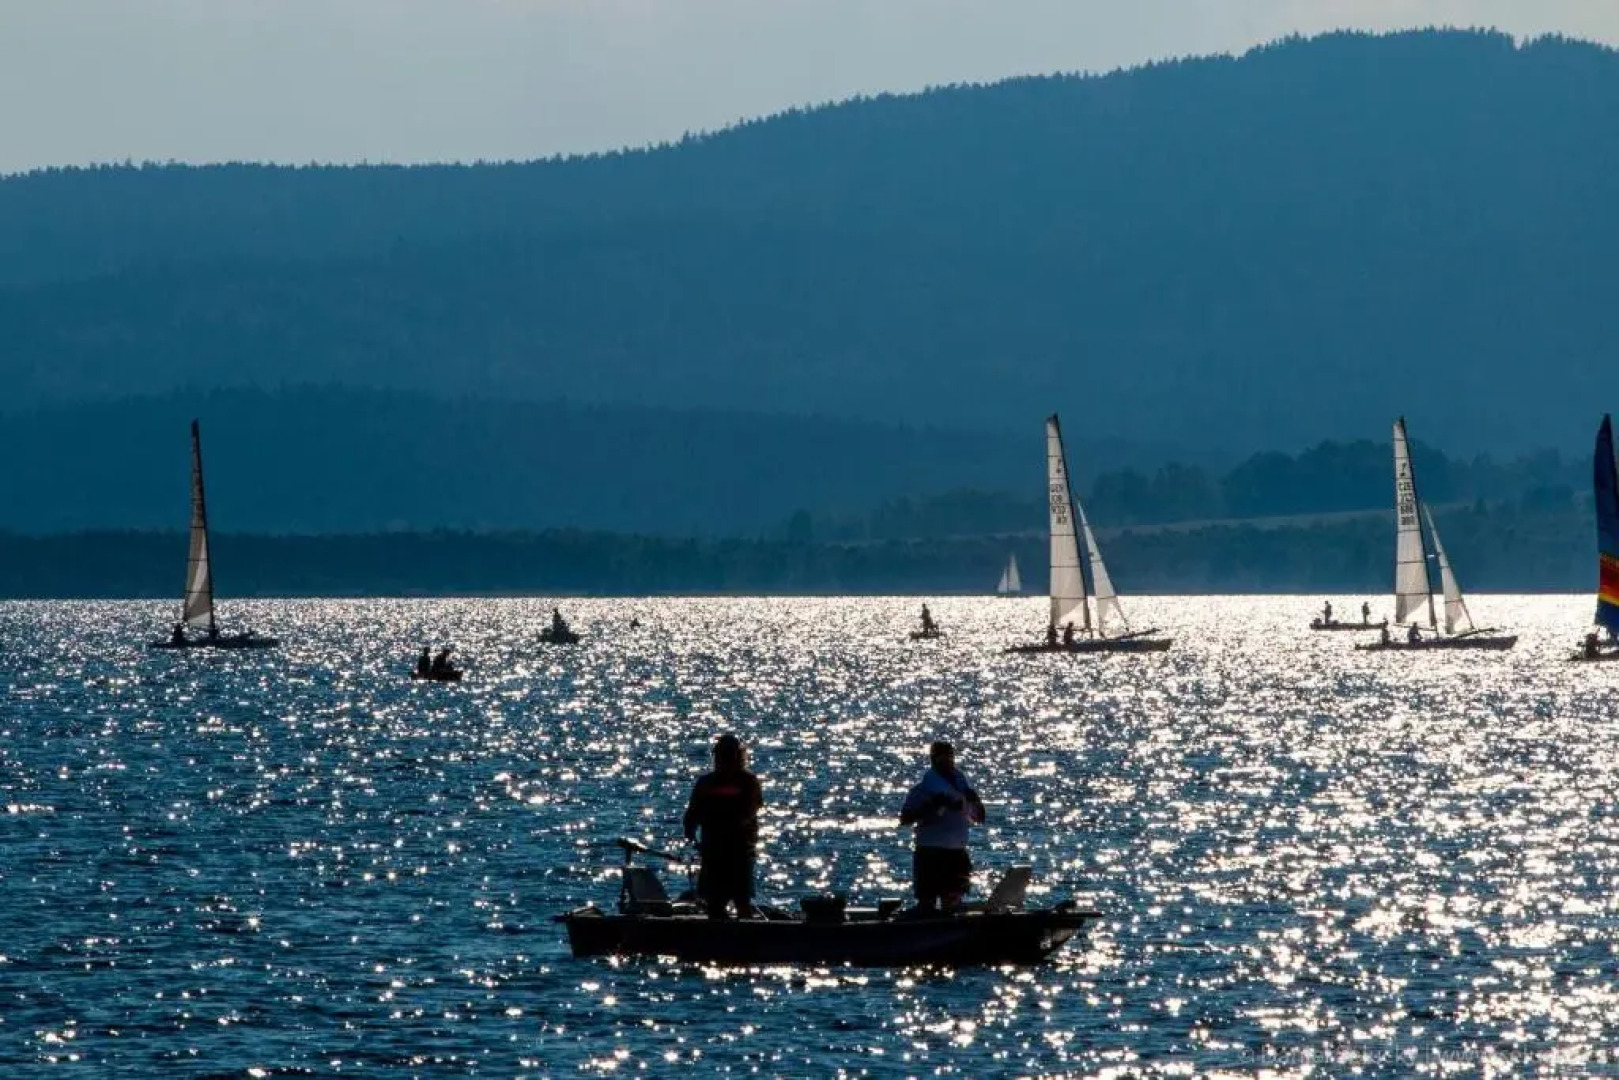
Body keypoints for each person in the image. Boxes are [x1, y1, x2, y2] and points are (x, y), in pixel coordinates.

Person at [899, 741, 985, 914]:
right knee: (926, 904)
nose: (947, 762)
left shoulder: (962, 789)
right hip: (930, 853)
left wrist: (975, 800)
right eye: (942, 758)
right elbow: (905, 819)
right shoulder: (922, 790)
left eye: (950, 758)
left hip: (956, 853)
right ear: (933, 760)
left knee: (953, 903)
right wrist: (932, 805)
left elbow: (980, 818)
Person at [683, 734, 763, 919]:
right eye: (721, 754)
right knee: (715, 905)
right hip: (714, 853)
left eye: (728, 755)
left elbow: (748, 813)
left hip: (739, 852)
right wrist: (692, 835)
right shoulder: (706, 783)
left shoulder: (748, 782)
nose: (724, 759)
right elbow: (691, 816)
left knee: (742, 902)